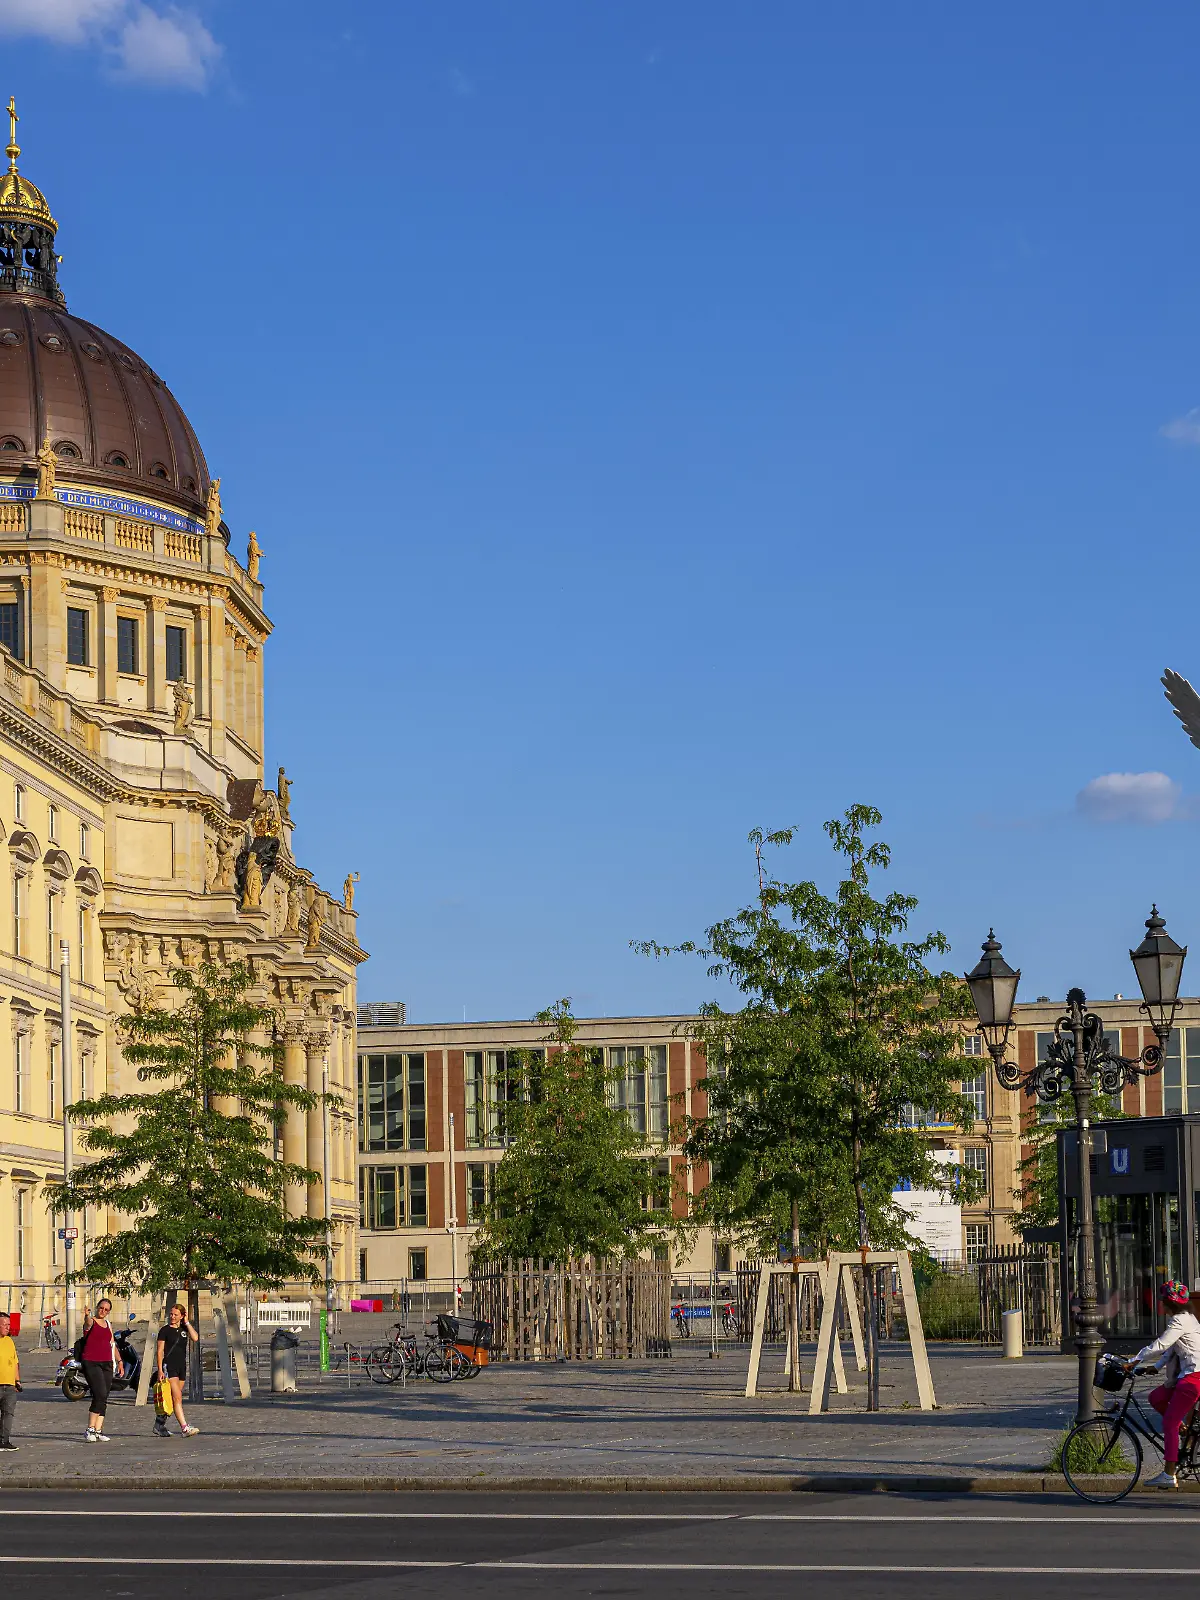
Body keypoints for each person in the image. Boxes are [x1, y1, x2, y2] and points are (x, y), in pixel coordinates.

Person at [1128, 1279, 1200, 1489]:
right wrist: (1156, 1367)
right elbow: (1172, 1349)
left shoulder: (1180, 1321)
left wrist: (1135, 1360)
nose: (1160, 1304)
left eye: (1163, 1300)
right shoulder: (1186, 1318)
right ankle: (1182, 1429)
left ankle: (1169, 1474)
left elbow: (1161, 1345)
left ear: (1171, 1303)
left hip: (1194, 1377)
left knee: (1169, 1422)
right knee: (1156, 1398)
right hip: (1187, 1375)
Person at [154, 1304, 199, 1439]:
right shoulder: (165, 1330)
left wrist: (186, 1322)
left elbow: (195, 1338)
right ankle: (184, 1428)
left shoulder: (184, 1329)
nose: (172, 1317)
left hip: (181, 1366)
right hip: (169, 1366)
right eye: (171, 1314)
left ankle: (159, 1424)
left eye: (175, 1315)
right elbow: (160, 1351)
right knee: (177, 1397)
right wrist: (160, 1369)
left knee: (174, 1399)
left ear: (182, 1315)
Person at [80, 1298, 121, 1443]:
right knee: (99, 1393)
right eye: (101, 1308)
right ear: (97, 1308)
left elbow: (112, 1344)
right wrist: (86, 1315)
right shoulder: (91, 1322)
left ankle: (98, 1430)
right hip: (92, 1362)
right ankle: (90, 1429)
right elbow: (87, 1323)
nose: (103, 1311)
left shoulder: (108, 1324)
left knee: (104, 1396)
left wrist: (119, 1361)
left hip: (107, 1363)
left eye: (106, 1309)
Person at [0, 1310, 21, 1451]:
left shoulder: (9, 1341)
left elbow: (15, 1362)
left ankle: (4, 1441)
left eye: (9, 1324)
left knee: (8, 1414)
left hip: (9, 1385)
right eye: (4, 1325)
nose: (8, 1327)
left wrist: (17, 1381)